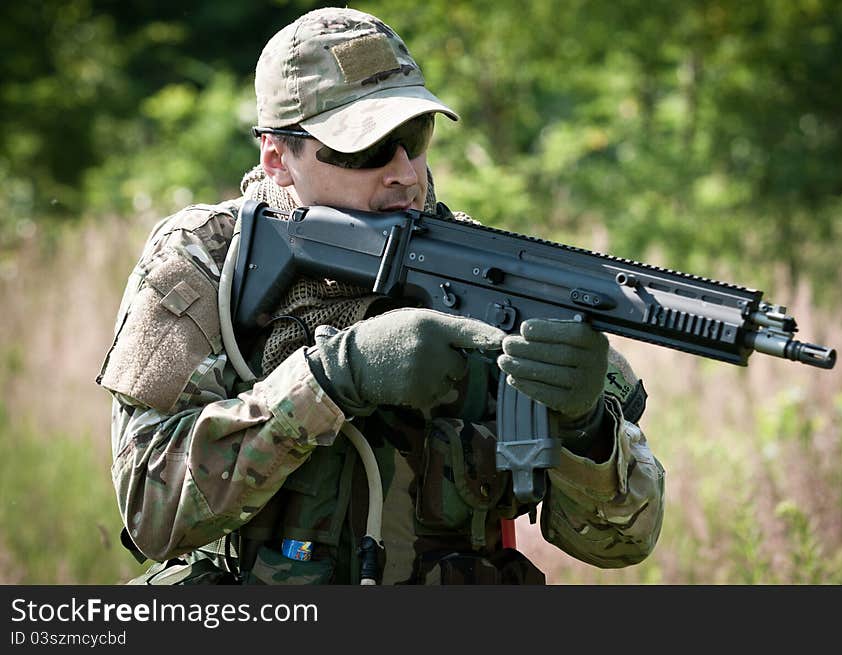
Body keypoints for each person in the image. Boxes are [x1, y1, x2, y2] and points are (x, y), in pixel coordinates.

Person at [96, 6, 665, 585]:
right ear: (277, 157)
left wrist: (586, 427)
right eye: (365, 150)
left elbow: (624, 543)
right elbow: (151, 512)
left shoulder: (480, 275)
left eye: (413, 139)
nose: (404, 174)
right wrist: (332, 380)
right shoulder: (210, 260)